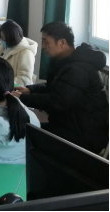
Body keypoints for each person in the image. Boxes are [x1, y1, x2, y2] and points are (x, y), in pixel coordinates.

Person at [13, 22, 108, 154]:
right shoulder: (68, 62)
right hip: (70, 125)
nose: (43, 46)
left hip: (82, 136)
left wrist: (23, 98)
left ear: (62, 42)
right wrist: (30, 90)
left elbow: (58, 101)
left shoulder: (79, 69)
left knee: (25, 138)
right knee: (25, 131)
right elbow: (55, 86)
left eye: (46, 42)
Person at [0, 20, 38, 86]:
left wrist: (2, 83)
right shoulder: (1, 46)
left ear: (12, 38)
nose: (2, 41)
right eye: (1, 37)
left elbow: (25, 80)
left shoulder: (26, 53)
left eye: (3, 38)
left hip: (12, 88)